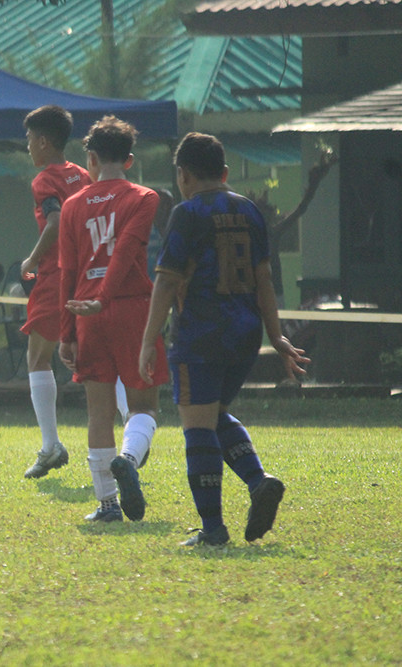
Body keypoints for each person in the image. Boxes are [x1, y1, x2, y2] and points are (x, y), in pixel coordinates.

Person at [139, 132, 309, 546]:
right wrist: (277, 336)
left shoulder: (187, 213)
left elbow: (166, 284)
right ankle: (258, 481)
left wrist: (148, 340)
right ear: (226, 173)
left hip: (200, 333)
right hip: (245, 334)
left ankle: (213, 528)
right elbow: (264, 278)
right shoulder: (250, 211)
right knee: (214, 416)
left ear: (183, 175)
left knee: (197, 428)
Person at [59, 115, 170, 523]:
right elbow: (125, 252)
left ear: (90, 158)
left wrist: (67, 332)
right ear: (129, 159)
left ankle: (106, 505)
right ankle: (127, 458)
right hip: (130, 309)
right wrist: (106, 299)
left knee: (98, 414)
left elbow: (67, 273)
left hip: (86, 313)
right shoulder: (145, 197)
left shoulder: (72, 205)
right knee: (144, 406)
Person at [19, 106, 93, 479]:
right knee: (98, 353)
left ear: (44, 142)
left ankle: (51, 446)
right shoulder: (83, 175)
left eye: (30, 139)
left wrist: (31, 258)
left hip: (56, 275)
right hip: (88, 273)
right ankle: (133, 430)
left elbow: (57, 219)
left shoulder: (44, 180)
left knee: (38, 357)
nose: (28, 146)